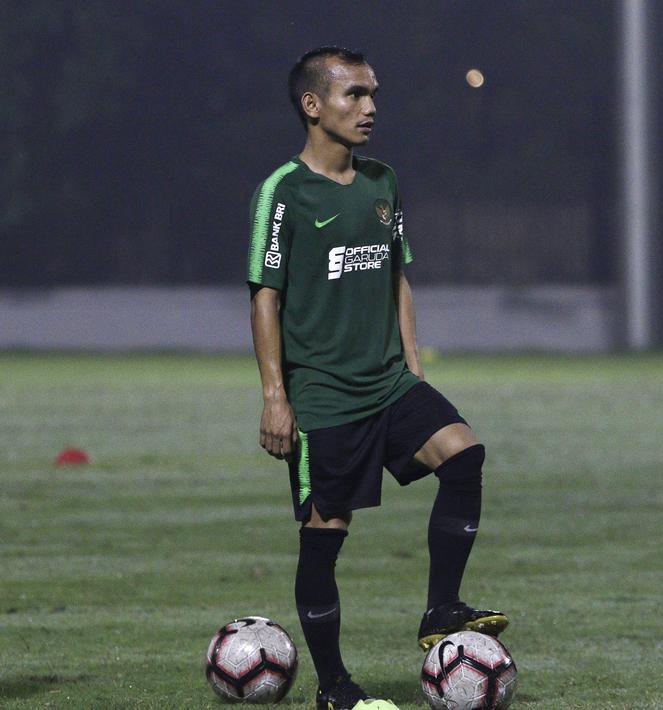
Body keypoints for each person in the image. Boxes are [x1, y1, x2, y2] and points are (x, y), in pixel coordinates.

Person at [247, 46, 509, 710]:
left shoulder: (381, 181)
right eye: (353, 95)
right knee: (324, 540)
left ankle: (441, 609)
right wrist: (275, 398)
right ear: (313, 105)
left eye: (372, 95)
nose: (369, 108)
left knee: (465, 453)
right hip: (323, 397)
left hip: (387, 382)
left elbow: (398, 278)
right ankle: (333, 685)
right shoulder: (283, 192)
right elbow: (264, 298)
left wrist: (414, 372)